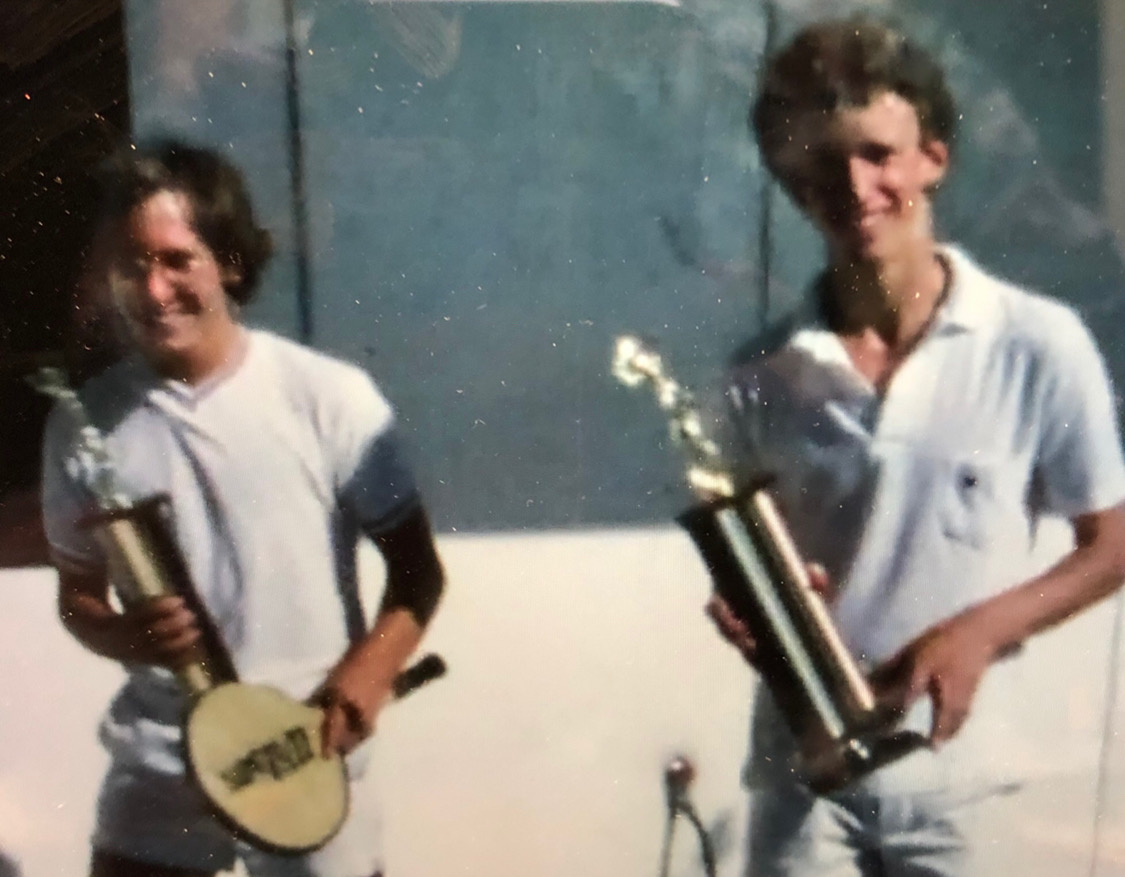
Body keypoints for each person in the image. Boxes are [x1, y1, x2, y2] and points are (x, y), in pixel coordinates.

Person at [704, 18, 1125, 876]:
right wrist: (746, 609)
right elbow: (759, 568)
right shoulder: (759, 374)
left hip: (969, 790)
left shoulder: (1036, 343)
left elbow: (1111, 541)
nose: (855, 186)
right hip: (804, 794)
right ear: (795, 186)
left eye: (877, 155)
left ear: (932, 157)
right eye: (825, 165)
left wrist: (978, 630)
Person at [41, 140, 445, 877]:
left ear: (227, 260)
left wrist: (364, 679)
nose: (154, 289)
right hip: (162, 771)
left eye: (177, 260)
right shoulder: (83, 424)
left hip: (305, 756)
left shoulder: (329, 397)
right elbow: (77, 596)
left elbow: (418, 575)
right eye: (132, 265)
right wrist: (122, 633)